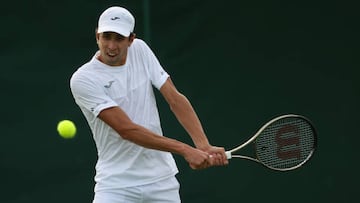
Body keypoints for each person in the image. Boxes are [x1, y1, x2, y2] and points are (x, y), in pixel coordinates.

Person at [70, 6, 228, 203]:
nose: (111, 46)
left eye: (119, 38)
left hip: (162, 183)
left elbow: (174, 98)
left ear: (131, 39)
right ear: (97, 36)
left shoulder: (140, 50)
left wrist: (203, 145)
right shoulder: (83, 79)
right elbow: (127, 130)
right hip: (116, 186)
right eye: (106, 36)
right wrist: (185, 149)